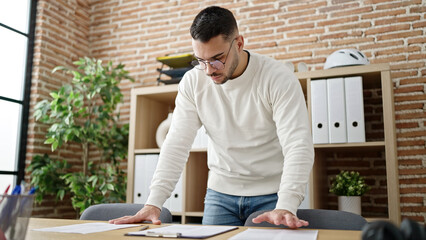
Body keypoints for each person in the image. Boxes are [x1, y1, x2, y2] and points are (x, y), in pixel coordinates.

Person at [110, 6, 314, 228]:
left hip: (272, 195)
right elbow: (176, 143)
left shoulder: (277, 78)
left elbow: (298, 145)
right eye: (200, 60)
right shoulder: (193, 82)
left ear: (239, 43)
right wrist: (154, 202)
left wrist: (286, 204)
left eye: (217, 59)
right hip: (220, 194)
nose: (208, 70)